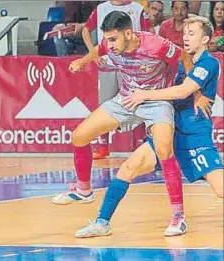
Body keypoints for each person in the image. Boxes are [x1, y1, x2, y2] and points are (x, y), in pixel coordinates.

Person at [73, 15, 223, 239]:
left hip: (193, 133)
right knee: (128, 167)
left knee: (220, 189)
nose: (186, 38)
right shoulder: (181, 61)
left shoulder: (209, 62)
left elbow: (182, 91)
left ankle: (178, 217)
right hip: (170, 125)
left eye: (192, 34)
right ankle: (102, 222)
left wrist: (144, 95)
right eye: (184, 34)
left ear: (205, 39)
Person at [52, 11, 193, 236]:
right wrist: (83, 60)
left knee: (164, 150)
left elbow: (184, 57)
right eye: (107, 38)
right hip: (126, 99)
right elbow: (100, 49)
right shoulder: (111, 44)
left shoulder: (156, 45)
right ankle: (83, 190)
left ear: (128, 33)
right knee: (79, 135)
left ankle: (178, 216)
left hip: (157, 101)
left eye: (113, 39)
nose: (109, 44)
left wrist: (189, 88)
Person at [82, 0, 153, 159]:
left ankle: (141, 144)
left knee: (137, 102)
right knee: (105, 105)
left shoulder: (137, 8)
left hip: (132, 64)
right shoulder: (101, 8)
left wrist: (144, 56)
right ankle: (103, 147)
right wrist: (93, 55)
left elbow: (150, 32)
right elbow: (86, 30)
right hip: (108, 64)